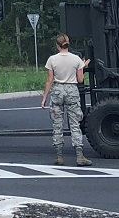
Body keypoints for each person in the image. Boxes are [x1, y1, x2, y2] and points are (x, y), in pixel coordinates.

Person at [39, 34, 91, 167]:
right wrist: (83, 67)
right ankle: (79, 156)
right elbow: (80, 80)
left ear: (57, 45)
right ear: (68, 44)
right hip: (71, 90)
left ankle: (59, 156)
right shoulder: (76, 60)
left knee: (57, 124)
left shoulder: (52, 59)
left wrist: (44, 97)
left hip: (57, 90)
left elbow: (49, 80)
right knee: (74, 123)